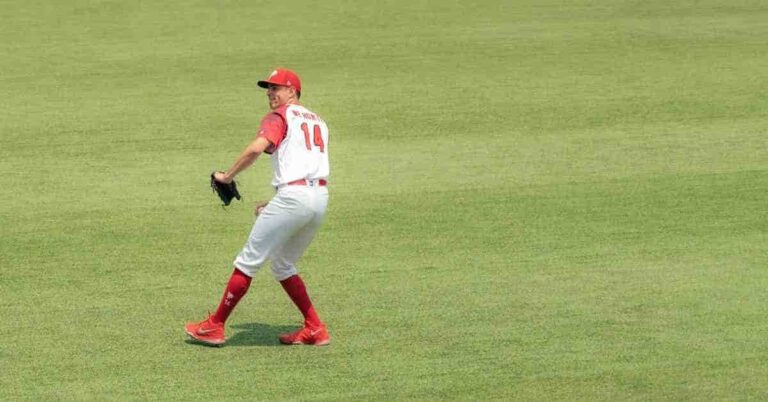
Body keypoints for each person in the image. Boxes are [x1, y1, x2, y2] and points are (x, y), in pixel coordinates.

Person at [185, 68, 331, 347]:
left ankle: (214, 326)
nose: (270, 93)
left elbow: (256, 148)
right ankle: (315, 327)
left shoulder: (281, 116)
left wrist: (227, 176)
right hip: (318, 198)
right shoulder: (319, 121)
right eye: (269, 88)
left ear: (292, 92)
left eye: (276, 87)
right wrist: (279, 198)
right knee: (283, 264)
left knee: (247, 261)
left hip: (294, 198)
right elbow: (304, 164)